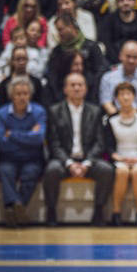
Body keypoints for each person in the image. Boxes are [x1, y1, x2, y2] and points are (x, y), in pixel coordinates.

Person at [42, 72, 114, 226]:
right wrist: (69, 163)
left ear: (86, 89)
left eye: (80, 85)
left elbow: (99, 143)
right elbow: (54, 144)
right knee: (52, 169)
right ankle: (51, 211)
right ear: (65, 89)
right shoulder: (55, 111)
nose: (76, 88)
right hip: (64, 160)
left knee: (107, 169)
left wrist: (87, 163)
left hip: (88, 159)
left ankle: (99, 210)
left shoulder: (95, 111)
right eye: (72, 85)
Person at [0, 76, 46, 227]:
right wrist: (28, 136)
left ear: (30, 94)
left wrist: (12, 135)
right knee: (5, 171)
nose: (22, 97)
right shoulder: (1, 114)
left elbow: (39, 139)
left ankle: (13, 209)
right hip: (8, 158)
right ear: (11, 95)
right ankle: (18, 208)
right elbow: (0, 142)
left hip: (32, 158)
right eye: (18, 94)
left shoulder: (39, 112)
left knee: (30, 173)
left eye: (25, 94)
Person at [104, 82, 137, 226]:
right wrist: (118, 157)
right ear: (116, 99)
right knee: (122, 172)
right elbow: (107, 145)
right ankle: (116, 213)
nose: (125, 98)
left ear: (134, 97)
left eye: (128, 94)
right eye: (122, 94)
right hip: (119, 157)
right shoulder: (111, 119)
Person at [46, 12, 105, 98]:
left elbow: (99, 72)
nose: (59, 33)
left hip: (90, 94)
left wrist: (85, 88)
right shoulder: (57, 51)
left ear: (71, 26)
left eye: (61, 29)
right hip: (63, 96)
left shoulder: (92, 47)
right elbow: (53, 77)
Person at [99, 40, 137, 116]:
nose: (131, 60)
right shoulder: (108, 77)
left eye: (135, 57)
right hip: (115, 118)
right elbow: (107, 103)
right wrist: (120, 119)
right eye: (128, 56)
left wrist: (135, 120)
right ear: (120, 56)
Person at [98, 0, 137, 64]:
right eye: (122, 0)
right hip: (115, 60)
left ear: (134, 2)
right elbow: (107, 44)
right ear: (117, 3)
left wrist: (135, 59)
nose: (126, 3)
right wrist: (119, 61)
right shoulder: (109, 20)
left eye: (129, 0)